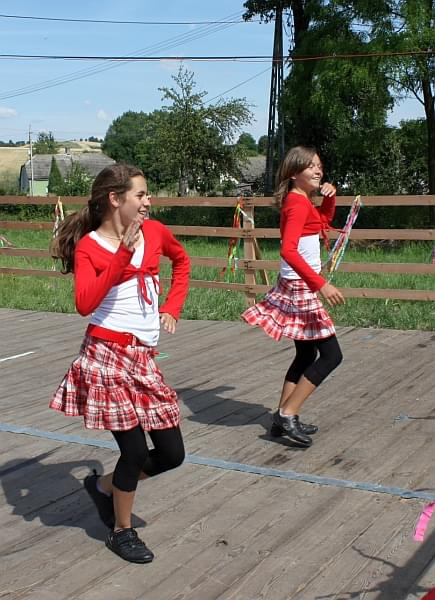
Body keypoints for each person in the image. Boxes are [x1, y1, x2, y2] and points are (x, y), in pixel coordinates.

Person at [49, 164, 190, 563]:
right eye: (141, 195)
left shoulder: (157, 232)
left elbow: (183, 262)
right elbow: (84, 303)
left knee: (171, 453)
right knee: (132, 451)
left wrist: (173, 307)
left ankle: (105, 487)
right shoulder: (91, 246)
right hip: (106, 357)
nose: (149, 202)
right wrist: (123, 253)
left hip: (143, 358)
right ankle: (121, 531)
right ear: (116, 199)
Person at [242, 146, 344, 448]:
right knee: (331, 355)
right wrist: (320, 284)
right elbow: (288, 250)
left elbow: (322, 223)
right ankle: (288, 412)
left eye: (319, 166)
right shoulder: (297, 204)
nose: (318, 171)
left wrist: (330, 198)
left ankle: (280, 417)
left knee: (306, 354)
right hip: (302, 286)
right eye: (311, 166)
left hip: (297, 283)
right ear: (294, 173)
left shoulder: (302, 200)